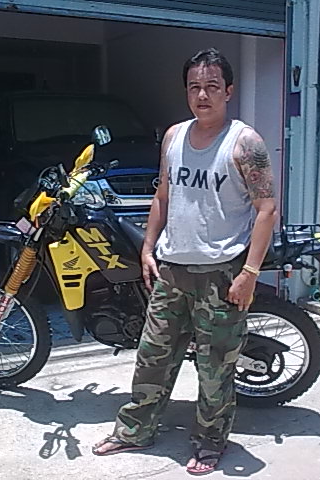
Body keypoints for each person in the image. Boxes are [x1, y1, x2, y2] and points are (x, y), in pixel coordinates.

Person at [92, 48, 278, 476]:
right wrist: (147, 248)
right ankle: (135, 430)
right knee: (152, 358)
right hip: (172, 271)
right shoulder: (174, 136)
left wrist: (249, 273)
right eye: (194, 87)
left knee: (215, 369)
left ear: (228, 91)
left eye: (212, 86)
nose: (202, 95)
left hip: (221, 274)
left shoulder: (244, 143)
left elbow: (266, 209)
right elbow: (163, 195)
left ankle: (211, 442)